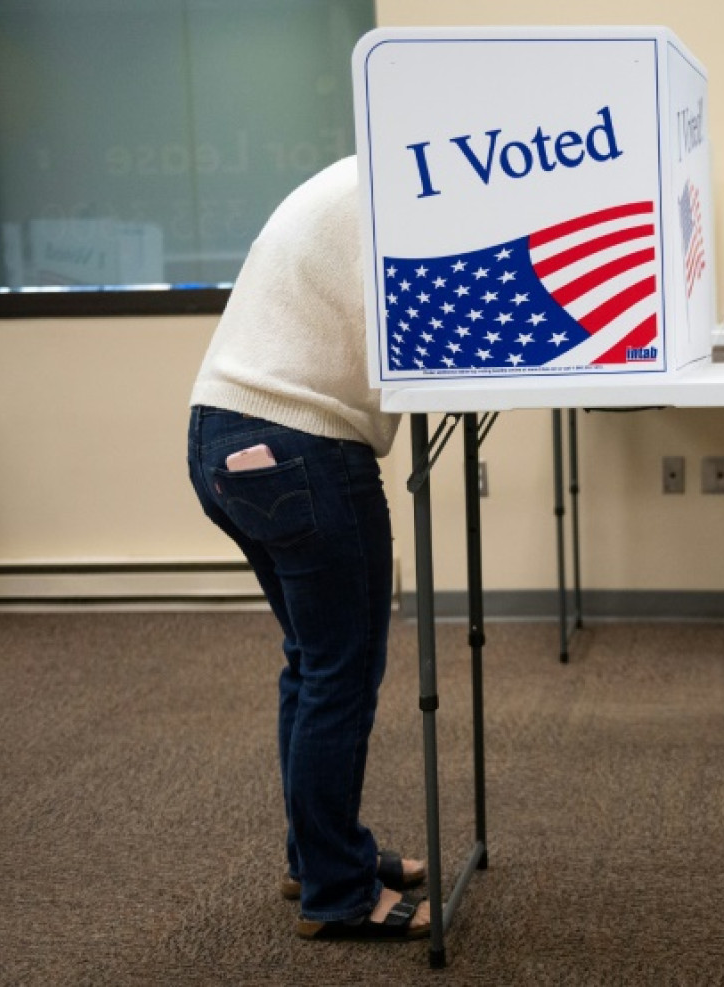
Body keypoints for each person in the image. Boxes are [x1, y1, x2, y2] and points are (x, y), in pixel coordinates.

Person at [186, 156, 430, 941]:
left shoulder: (366, 173)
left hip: (220, 433)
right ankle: (338, 891)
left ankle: (318, 853)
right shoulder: (416, 186)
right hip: (302, 443)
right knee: (342, 670)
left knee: (315, 660)